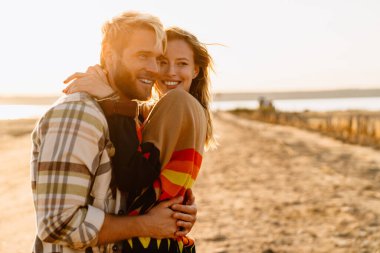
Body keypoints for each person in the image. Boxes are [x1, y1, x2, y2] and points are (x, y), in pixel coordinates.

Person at [31, 12, 197, 253]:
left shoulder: (125, 115)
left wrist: (179, 212)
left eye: (158, 58)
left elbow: (131, 187)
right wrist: (146, 225)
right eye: (142, 56)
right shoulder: (79, 114)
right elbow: (58, 224)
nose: (154, 69)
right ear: (109, 55)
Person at [63, 27, 216, 253]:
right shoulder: (155, 111)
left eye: (182, 63)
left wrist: (109, 97)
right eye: (162, 61)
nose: (171, 72)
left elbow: (134, 177)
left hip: (148, 243)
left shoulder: (180, 103)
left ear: (195, 70)